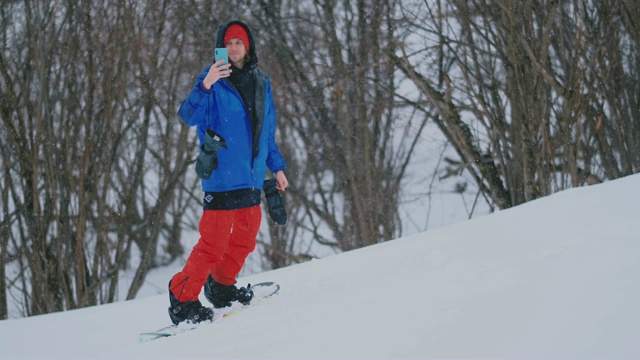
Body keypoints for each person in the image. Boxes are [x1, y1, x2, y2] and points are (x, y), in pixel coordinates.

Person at [168, 20, 288, 325]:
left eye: (239, 43)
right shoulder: (212, 81)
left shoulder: (261, 82)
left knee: (246, 238)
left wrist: (277, 166)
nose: (234, 48)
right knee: (213, 244)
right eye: (229, 43)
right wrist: (205, 83)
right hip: (221, 174)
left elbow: (266, 130)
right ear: (221, 48)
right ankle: (182, 298)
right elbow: (187, 115)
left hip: (251, 174)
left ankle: (221, 287)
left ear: (248, 47)